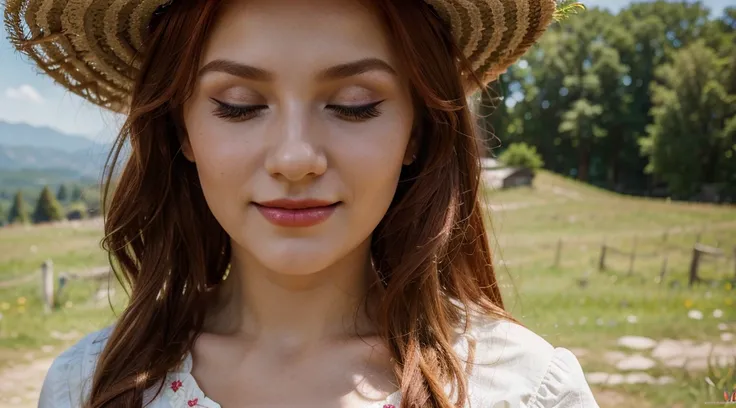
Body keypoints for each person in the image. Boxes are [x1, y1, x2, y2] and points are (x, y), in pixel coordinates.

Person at [5, 0, 600, 406]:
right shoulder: (87, 387)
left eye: (354, 104)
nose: (295, 157)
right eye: (238, 104)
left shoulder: (524, 389)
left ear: (416, 130)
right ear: (180, 129)